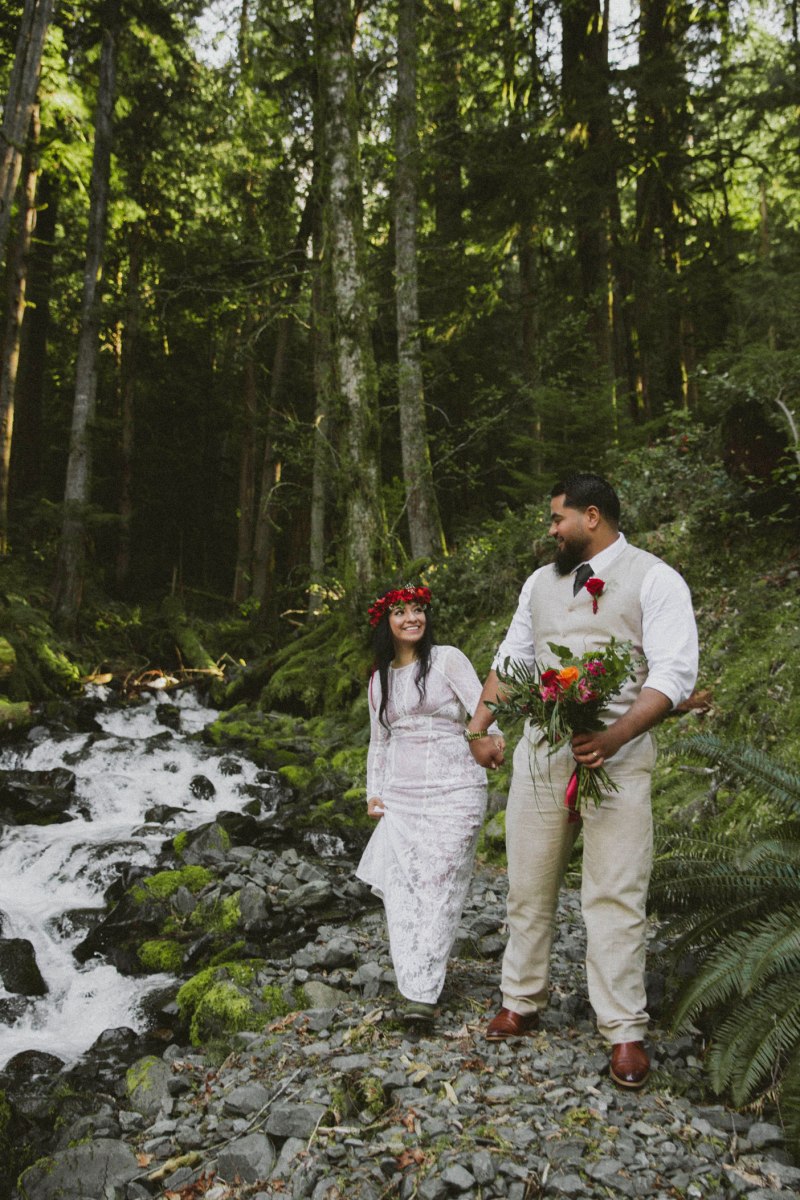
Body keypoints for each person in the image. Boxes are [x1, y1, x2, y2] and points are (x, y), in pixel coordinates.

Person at [466, 473, 698, 1088]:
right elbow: (514, 659)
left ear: (592, 516)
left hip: (619, 758)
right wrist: (478, 727)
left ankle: (623, 1030)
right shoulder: (539, 584)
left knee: (617, 891)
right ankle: (520, 998)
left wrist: (614, 737)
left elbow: (674, 674)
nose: (550, 529)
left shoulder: (656, 577)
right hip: (541, 754)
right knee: (528, 880)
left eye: (557, 518)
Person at [356, 583, 503, 1022]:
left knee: (440, 883)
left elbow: (483, 708)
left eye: (417, 609)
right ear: (387, 622)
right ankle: (413, 979)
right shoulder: (378, 679)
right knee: (403, 889)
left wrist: (492, 742)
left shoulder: (447, 660)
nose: (411, 618)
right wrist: (374, 791)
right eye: (401, 612)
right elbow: (379, 741)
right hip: (401, 796)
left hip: (456, 788)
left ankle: (423, 989)